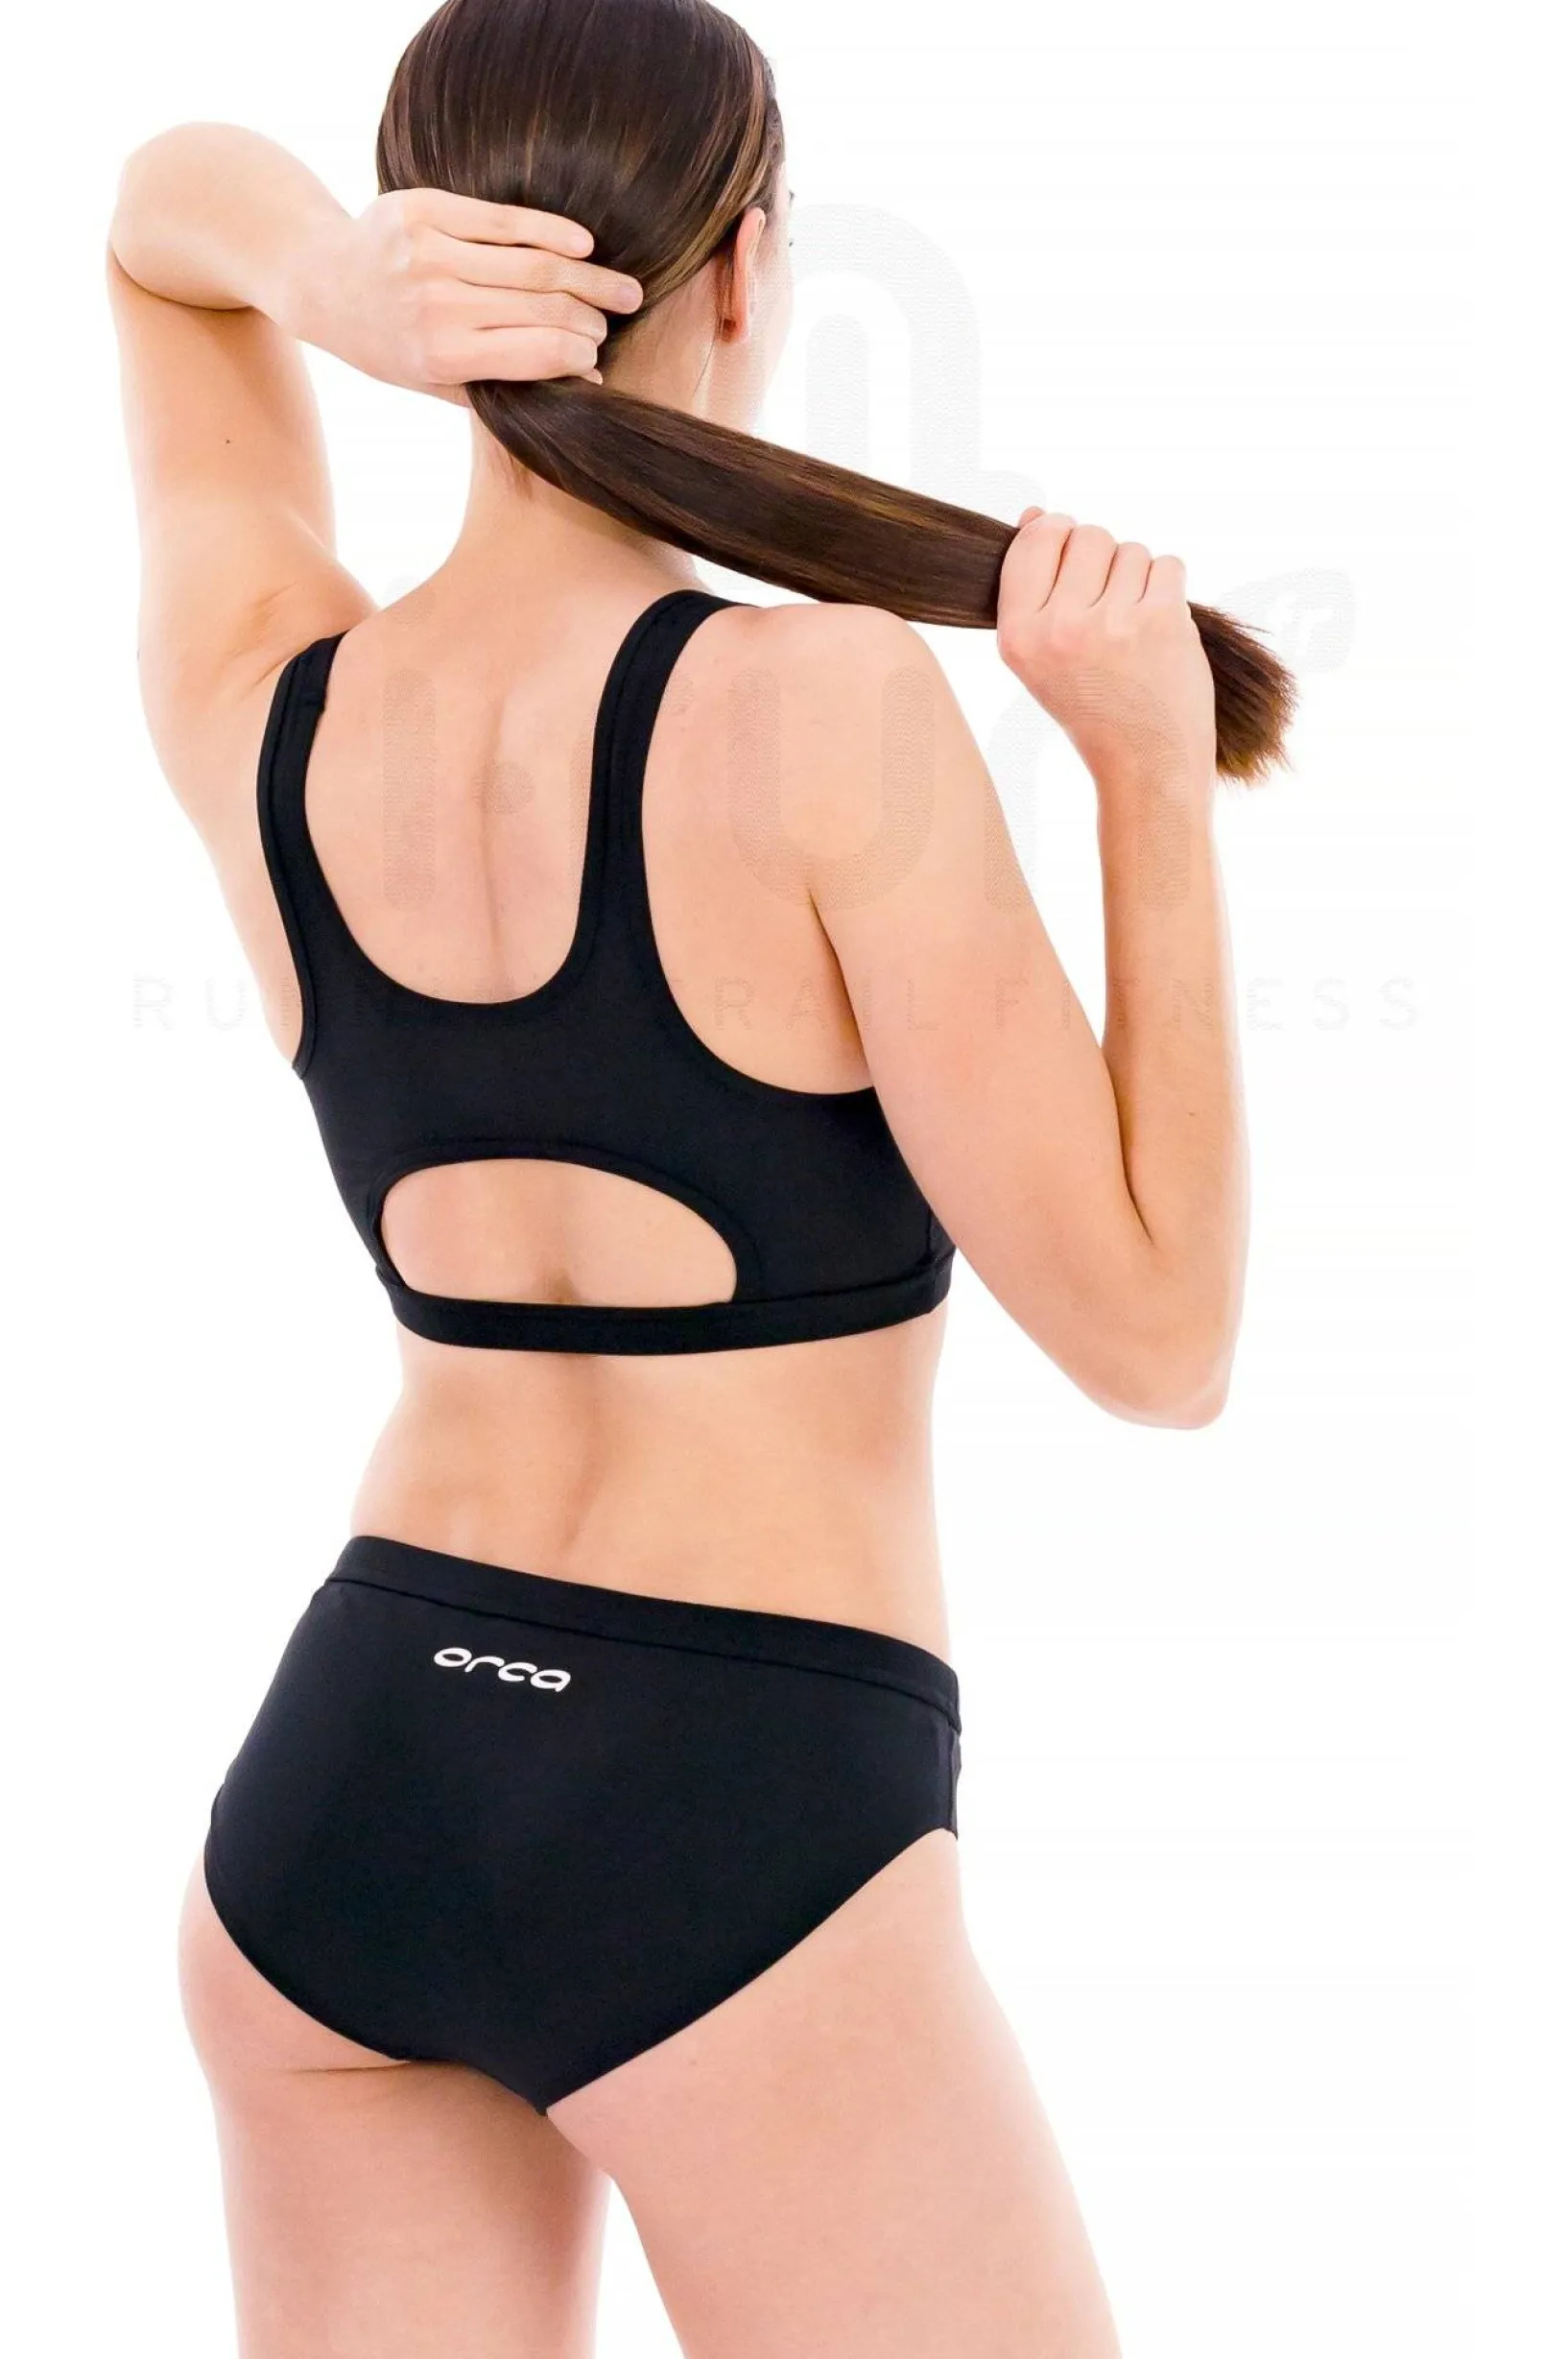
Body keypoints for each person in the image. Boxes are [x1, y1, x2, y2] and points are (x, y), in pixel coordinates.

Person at [108, 3, 1281, 2351]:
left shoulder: (265, 697)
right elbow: (1159, 1344)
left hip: (348, 1780)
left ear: (426, 251)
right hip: (724, 1796)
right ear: (748, 267)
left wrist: (323, 279)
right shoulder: (824, 707)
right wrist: (1147, 779)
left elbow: (155, 226)